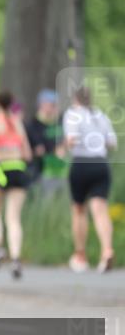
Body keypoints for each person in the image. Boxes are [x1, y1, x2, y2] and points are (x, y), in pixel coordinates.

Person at [0, 90, 32, 279]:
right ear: (11, 104)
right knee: (13, 218)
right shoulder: (17, 123)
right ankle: (16, 258)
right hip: (17, 170)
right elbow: (27, 154)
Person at [63, 87, 117, 273]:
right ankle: (107, 250)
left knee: (79, 210)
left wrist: (62, 147)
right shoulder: (101, 115)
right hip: (101, 164)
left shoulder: (73, 114)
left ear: (75, 99)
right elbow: (112, 143)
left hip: (81, 163)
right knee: (100, 210)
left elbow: (71, 140)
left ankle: (80, 255)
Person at [26, 88, 68, 194]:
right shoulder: (33, 125)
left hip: (62, 171)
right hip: (41, 172)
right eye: (52, 105)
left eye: (56, 105)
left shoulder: (62, 122)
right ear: (42, 105)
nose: (55, 108)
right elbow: (39, 149)